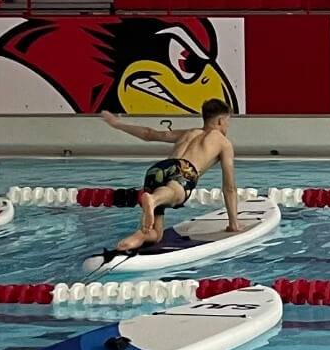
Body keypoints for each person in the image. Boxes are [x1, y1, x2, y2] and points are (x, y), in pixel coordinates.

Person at [101, 100, 240, 251]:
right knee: (175, 195)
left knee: (156, 234)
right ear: (221, 120)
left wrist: (117, 124)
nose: (228, 125)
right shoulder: (223, 143)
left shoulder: (188, 133)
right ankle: (153, 199)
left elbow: (149, 134)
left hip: (158, 170)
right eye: (228, 121)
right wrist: (233, 224)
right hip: (184, 170)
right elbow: (229, 187)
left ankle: (136, 238)